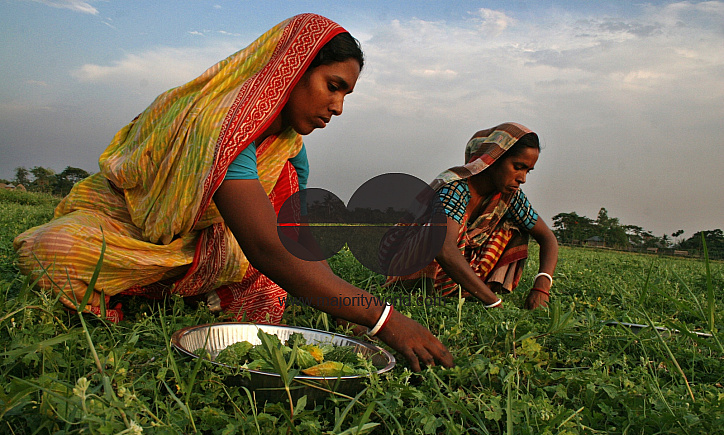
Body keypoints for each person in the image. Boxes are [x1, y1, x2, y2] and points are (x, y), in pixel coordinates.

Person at [13, 13, 453, 372]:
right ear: (292, 70)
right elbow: (266, 246)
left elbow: (293, 237)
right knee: (54, 250)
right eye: (333, 86)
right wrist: (384, 320)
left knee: (272, 289)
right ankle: (142, 294)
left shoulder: (287, 146)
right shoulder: (222, 129)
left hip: (196, 246)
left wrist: (346, 306)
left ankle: (161, 293)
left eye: (346, 94)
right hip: (129, 230)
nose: (338, 107)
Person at [386, 122, 558, 310]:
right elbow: (444, 248)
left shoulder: (508, 196)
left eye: (527, 171)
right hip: (410, 268)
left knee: (514, 229)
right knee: (443, 230)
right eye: (518, 167)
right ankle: (430, 290)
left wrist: (542, 286)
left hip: (452, 274)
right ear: (493, 160)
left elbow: (547, 238)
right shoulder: (455, 187)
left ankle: (468, 291)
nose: (522, 178)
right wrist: (493, 302)